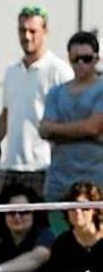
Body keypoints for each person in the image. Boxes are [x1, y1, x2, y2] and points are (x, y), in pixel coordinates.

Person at [0, 6, 73, 199]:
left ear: (45, 31)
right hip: (10, 166)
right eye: (22, 30)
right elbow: (5, 118)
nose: (27, 36)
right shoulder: (11, 72)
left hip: (43, 167)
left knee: (43, 227)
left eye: (32, 31)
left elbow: (70, 118)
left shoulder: (59, 71)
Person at [39, 31, 103, 208]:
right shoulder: (56, 93)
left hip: (96, 185)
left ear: (96, 59)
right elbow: (44, 129)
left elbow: (93, 127)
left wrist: (57, 131)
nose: (80, 64)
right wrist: (85, 131)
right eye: (75, 59)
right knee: (60, 235)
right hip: (59, 185)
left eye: (86, 58)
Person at [28, 182, 102, 272]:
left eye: (84, 207)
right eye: (72, 207)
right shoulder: (63, 242)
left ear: (95, 210)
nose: (78, 212)